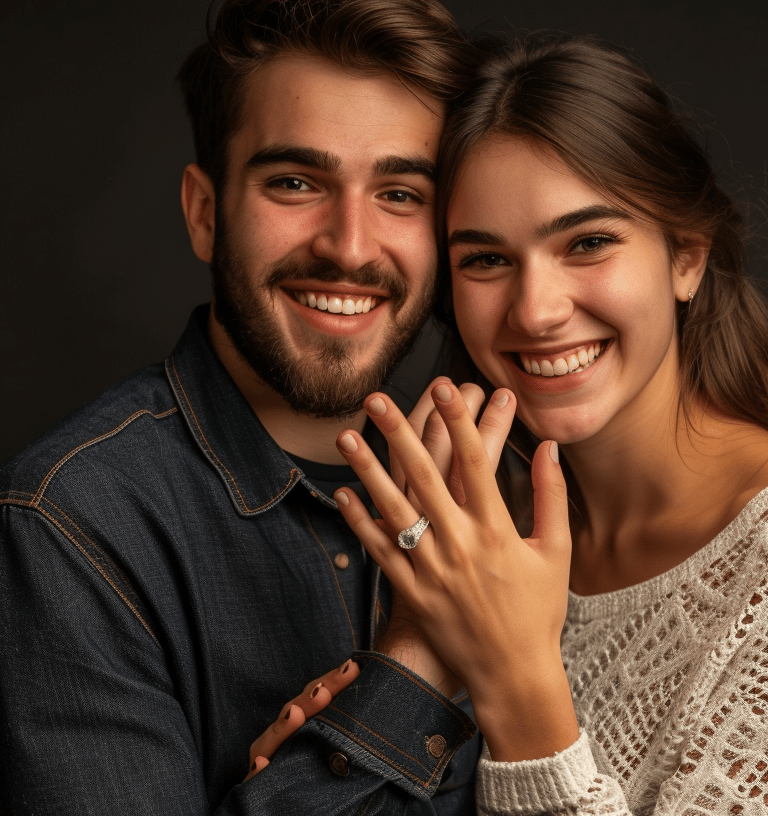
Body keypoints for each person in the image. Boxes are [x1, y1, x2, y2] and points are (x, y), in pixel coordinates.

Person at [0, 1, 483, 813]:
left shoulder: (506, 483)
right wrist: (418, 663)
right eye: (296, 182)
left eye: (400, 193)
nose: (351, 245)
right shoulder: (67, 526)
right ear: (204, 211)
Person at [329, 33, 768, 813]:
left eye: (589, 242)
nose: (534, 311)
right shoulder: (464, 528)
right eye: (485, 260)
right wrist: (413, 658)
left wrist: (513, 675)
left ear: (688, 257)